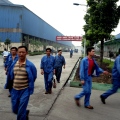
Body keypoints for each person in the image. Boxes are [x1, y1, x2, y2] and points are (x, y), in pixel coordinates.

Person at [5, 46, 37, 120]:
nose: (21, 54)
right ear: (17, 53)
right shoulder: (13, 64)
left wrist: (29, 86)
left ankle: (23, 114)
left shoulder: (30, 65)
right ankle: (25, 113)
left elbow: (33, 77)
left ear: (26, 53)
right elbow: (10, 76)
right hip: (14, 90)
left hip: (25, 90)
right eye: (19, 52)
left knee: (21, 111)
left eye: (23, 52)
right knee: (15, 109)